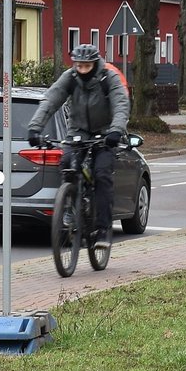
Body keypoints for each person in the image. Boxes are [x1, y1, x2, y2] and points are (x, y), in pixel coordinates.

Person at [27, 42, 131, 253]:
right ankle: (70, 205)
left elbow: (121, 104)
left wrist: (116, 131)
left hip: (105, 132)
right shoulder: (70, 78)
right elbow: (51, 100)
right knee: (66, 163)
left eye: (86, 66)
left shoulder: (107, 78)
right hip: (78, 131)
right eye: (78, 65)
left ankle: (102, 229)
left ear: (94, 63)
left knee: (102, 174)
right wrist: (35, 128)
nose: (82, 70)